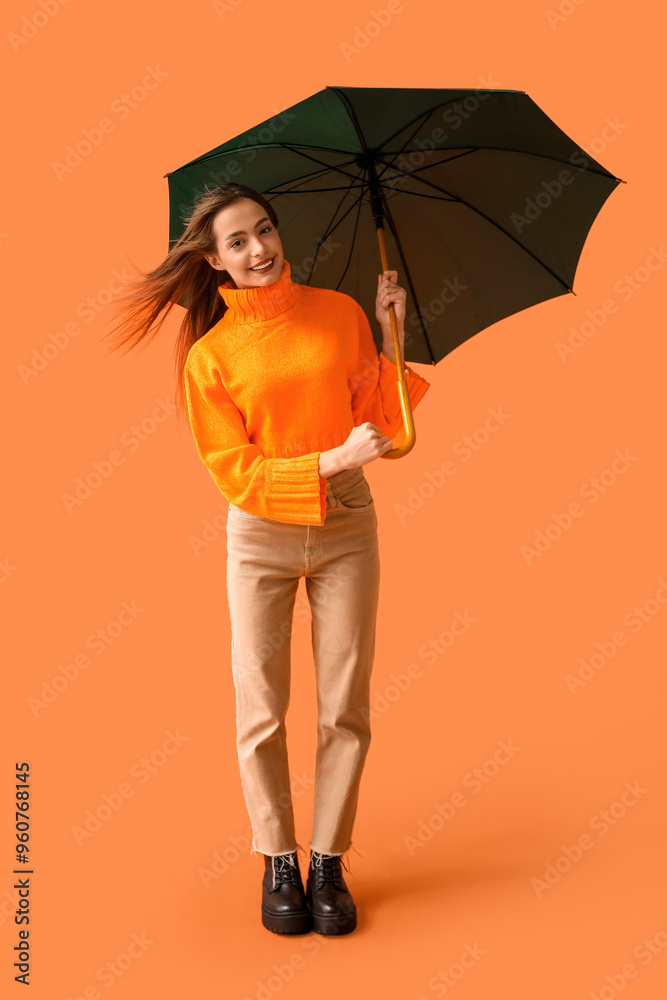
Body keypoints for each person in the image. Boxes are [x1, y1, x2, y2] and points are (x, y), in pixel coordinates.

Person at [104, 182, 431, 936]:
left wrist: (390, 338)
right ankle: (276, 857)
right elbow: (235, 473)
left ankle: (327, 859)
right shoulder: (210, 358)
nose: (259, 249)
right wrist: (327, 458)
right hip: (259, 536)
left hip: (348, 522)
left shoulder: (340, 312)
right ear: (215, 262)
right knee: (261, 707)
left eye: (265, 230)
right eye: (238, 241)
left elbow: (387, 429)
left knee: (345, 704)